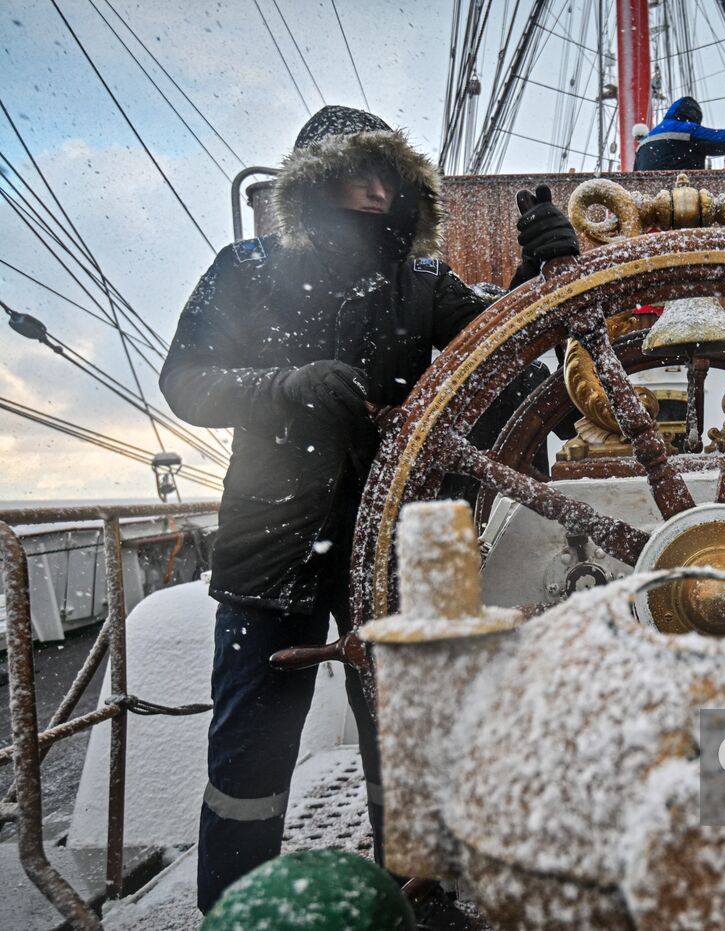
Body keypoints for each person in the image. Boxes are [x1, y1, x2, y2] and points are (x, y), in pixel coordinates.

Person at [160, 105, 579, 912]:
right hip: (269, 549)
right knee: (250, 755)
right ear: (312, 184)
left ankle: (413, 898)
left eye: (387, 172)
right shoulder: (246, 270)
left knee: (403, 740)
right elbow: (187, 381)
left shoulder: (424, 283)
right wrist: (284, 386)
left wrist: (542, 276)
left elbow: (494, 349)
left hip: (390, 544)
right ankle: (238, 909)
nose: (375, 187)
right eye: (356, 170)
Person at [634, 96, 725, 171]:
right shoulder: (689, 130)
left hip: (648, 203)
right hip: (680, 199)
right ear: (694, 116)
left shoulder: (646, 139)